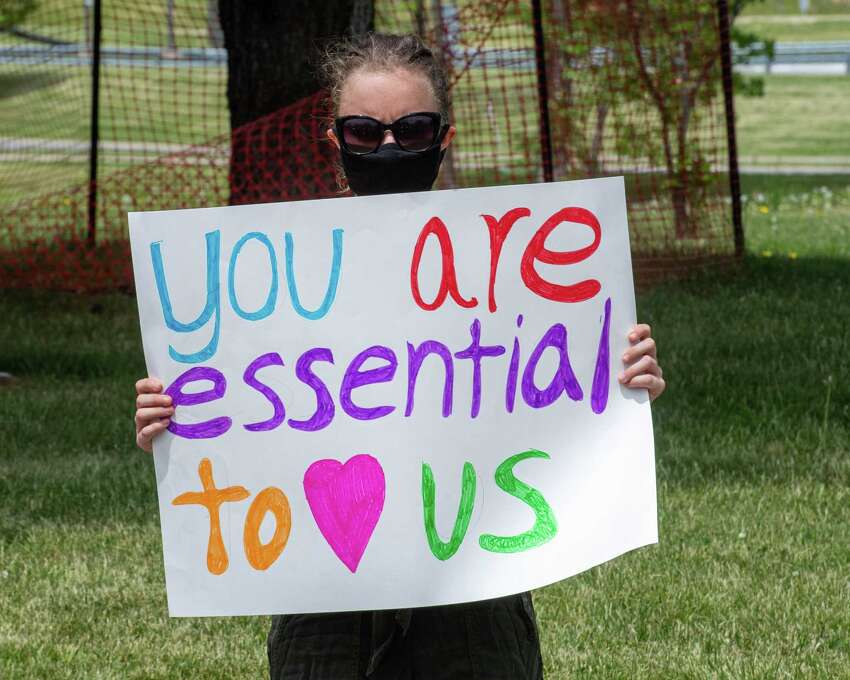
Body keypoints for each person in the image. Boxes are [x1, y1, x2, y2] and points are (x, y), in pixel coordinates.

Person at [134, 32, 666, 680]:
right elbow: (248, 417)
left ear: (443, 139)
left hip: (475, 606)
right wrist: (177, 424)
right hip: (324, 613)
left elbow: (549, 392)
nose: (388, 148)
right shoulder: (275, 283)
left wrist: (620, 384)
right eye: (364, 132)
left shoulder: (503, 271)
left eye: (411, 129)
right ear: (335, 145)